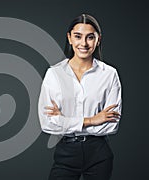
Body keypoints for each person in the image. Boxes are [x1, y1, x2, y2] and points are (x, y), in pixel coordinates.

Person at [38, 13, 122, 180]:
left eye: (90, 37)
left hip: (99, 153)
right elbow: (47, 123)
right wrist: (91, 120)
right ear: (69, 38)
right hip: (66, 152)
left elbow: (110, 126)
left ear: (98, 40)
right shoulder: (54, 74)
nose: (83, 43)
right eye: (78, 36)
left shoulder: (109, 74)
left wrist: (64, 120)